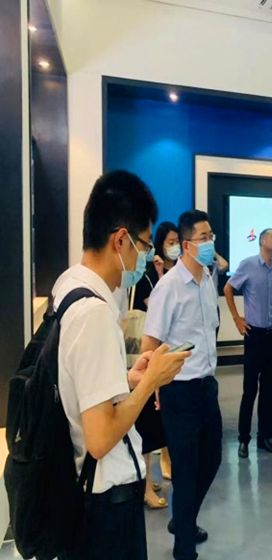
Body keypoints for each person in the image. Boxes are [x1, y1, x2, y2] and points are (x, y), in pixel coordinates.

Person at [54, 170, 189, 560]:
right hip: (106, 506)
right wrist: (150, 383)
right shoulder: (94, 314)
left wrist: (126, 379)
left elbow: (80, 385)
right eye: (143, 245)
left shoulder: (69, 286)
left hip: (84, 494)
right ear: (120, 240)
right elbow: (99, 440)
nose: (144, 256)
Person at [142, 210, 222, 560]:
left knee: (212, 459)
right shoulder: (168, 287)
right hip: (179, 391)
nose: (210, 242)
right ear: (187, 245)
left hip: (207, 386)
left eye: (211, 236)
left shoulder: (207, 279)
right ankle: (184, 550)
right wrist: (154, 387)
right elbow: (149, 346)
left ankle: (183, 520)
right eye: (204, 237)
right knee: (185, 473)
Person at [132, 221, 180, 509]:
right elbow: (155, 307)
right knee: (146, 422)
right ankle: (146, 484)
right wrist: (160, 275)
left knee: (155, 420)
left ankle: (153, 474)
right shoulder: (142, 275)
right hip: (140, 354)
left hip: (156, 352)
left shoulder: (159, 273)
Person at [225, 228, 272, 457]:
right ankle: (243, 439)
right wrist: (236, 318)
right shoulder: (248, 264)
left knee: (270, 390)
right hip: (254, 336)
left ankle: (265, 436)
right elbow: (228, 288)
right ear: (262, 241)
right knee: (250, 390)